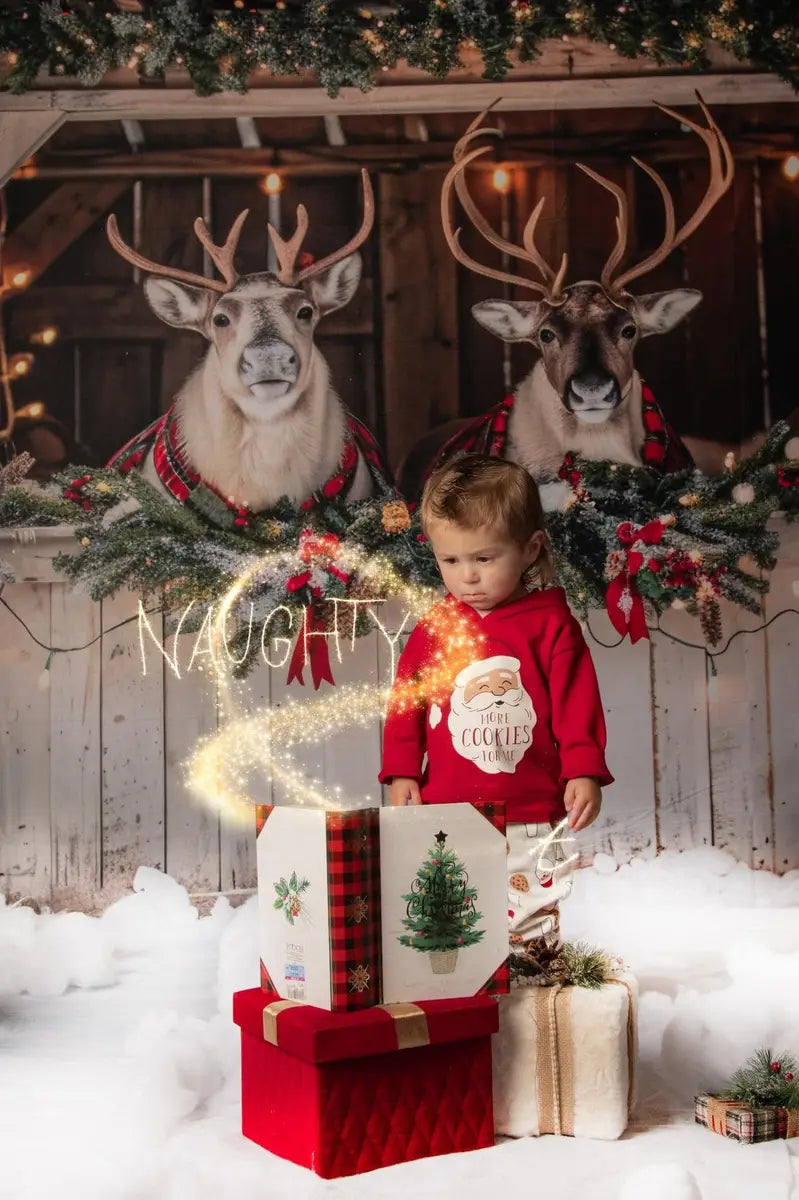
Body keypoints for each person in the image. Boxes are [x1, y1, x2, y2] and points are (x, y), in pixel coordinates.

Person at [379, 454, 613, 983]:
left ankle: (532, 995)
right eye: (451, 561)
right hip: (449, 804)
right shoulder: (436, 628)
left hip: (532, 803)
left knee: (531, 910)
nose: (468, 576)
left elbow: (578, 704)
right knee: (450, 903)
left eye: (484, 558)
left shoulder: (549, 623)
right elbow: (407, 702)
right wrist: (402, 770)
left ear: (529, 548)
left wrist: (583, 770)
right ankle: (453, 984)